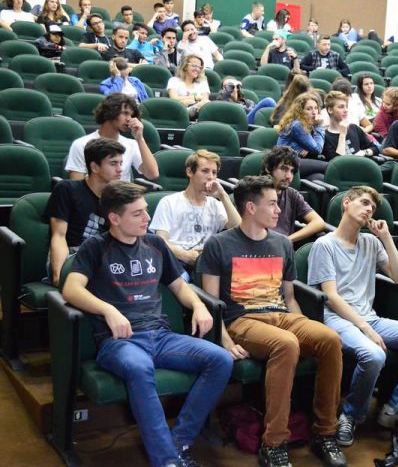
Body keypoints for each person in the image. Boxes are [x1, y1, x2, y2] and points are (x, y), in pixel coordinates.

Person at [62, 180, 233, 467]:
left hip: (161, 337)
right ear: (114, 218)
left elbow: (179, 286)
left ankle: (178, 443)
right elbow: (71, 289)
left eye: (145, 210)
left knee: (220, 360)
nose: (147, 218)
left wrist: (198, 305)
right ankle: (166, 461)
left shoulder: (155, 244)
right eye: (138, 213)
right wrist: (108, 310)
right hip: (120, 342)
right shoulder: (96, 247)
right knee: (140, 368)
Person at [198, 175, 347, 467]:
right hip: (242, 320)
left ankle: (325, 432)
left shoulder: (282, 243)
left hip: (281, 315)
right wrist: (224, 338)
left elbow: (289, 297)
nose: (279, 210)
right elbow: (211, 303)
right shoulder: (218, 244)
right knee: (287, 344)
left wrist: (305, 327)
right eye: (272, 204)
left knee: (330, 339)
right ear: (251, 208)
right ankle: (274, 443)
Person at [308, 186, 398, 444]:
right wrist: (365, 328)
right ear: (346, 203)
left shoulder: (371, 242)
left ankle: (397, 408)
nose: (369, 209)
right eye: (364, 202)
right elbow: (332, 297)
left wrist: (386, 238)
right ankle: (351, 415)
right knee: (374, 355)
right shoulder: (325, 245)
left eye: (373, 207)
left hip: (369, 318)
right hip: (336, 318)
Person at [44, 138, 125, 287]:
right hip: (72, 254)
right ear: (94, 167)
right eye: (113, 163)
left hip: (104, 256)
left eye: (121, 163)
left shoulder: (118, 198)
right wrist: (58, 275)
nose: (120, 169)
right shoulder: (67, 189)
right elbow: (59, 236)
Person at [150, 150, 240, 274]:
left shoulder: (216, 205)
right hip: (175, 263)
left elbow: (239, 230)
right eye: (205, 171)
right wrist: (185, 255)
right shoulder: (169, 202)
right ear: (190, 172)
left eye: (214, 173)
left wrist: (223, 196)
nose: (211, 177)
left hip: (207, 265)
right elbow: (160, 241)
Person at [66, 93, 159, 182]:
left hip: (122, 193)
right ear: (110, 112)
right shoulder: (81, 144)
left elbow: (152, 174)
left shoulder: (132, 144)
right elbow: (76, 185)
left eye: (131, 115)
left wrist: (140, 139)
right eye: (125, 113)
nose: (129, 119)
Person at [260, 146, 326, 242]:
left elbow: (319, 222)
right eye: (284, 169)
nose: (289, 176)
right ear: (268, 168)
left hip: (283, 248)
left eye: (292, 171)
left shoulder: (292, 194)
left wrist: (287, 240)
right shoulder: (254, 193)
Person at [276, 92, 328, 178]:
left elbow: (313, 146)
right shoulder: (297, 125)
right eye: (309, 109)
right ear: (300, 111)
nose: (314, 112)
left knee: (319, 178)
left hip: (298, 161)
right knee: (330, 167)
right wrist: (319, 125)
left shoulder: (308, 124)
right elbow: (318, 149)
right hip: (286, 164)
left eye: (316, 108)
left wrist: (308, 148)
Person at [321, 90, 379, 162]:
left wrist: (364, 153)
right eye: (341, 107)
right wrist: (342, 135)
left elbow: (375, 148)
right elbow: (337, 163)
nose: (346, 110)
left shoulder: (354, 128)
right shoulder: (325, 136)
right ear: (330, 110)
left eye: (346, 107)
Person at [167, 55, 211, 119]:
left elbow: (205, 100)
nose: (197, 69)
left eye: (199, 67)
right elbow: (173, 98)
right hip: (178, 110)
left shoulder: (203, 82)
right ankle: (187, 112)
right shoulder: (174, 80)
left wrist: (188, 101)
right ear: (185, 66)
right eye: (194, 66)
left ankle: (189, 111)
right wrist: (196, 98)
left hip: (198, 111)